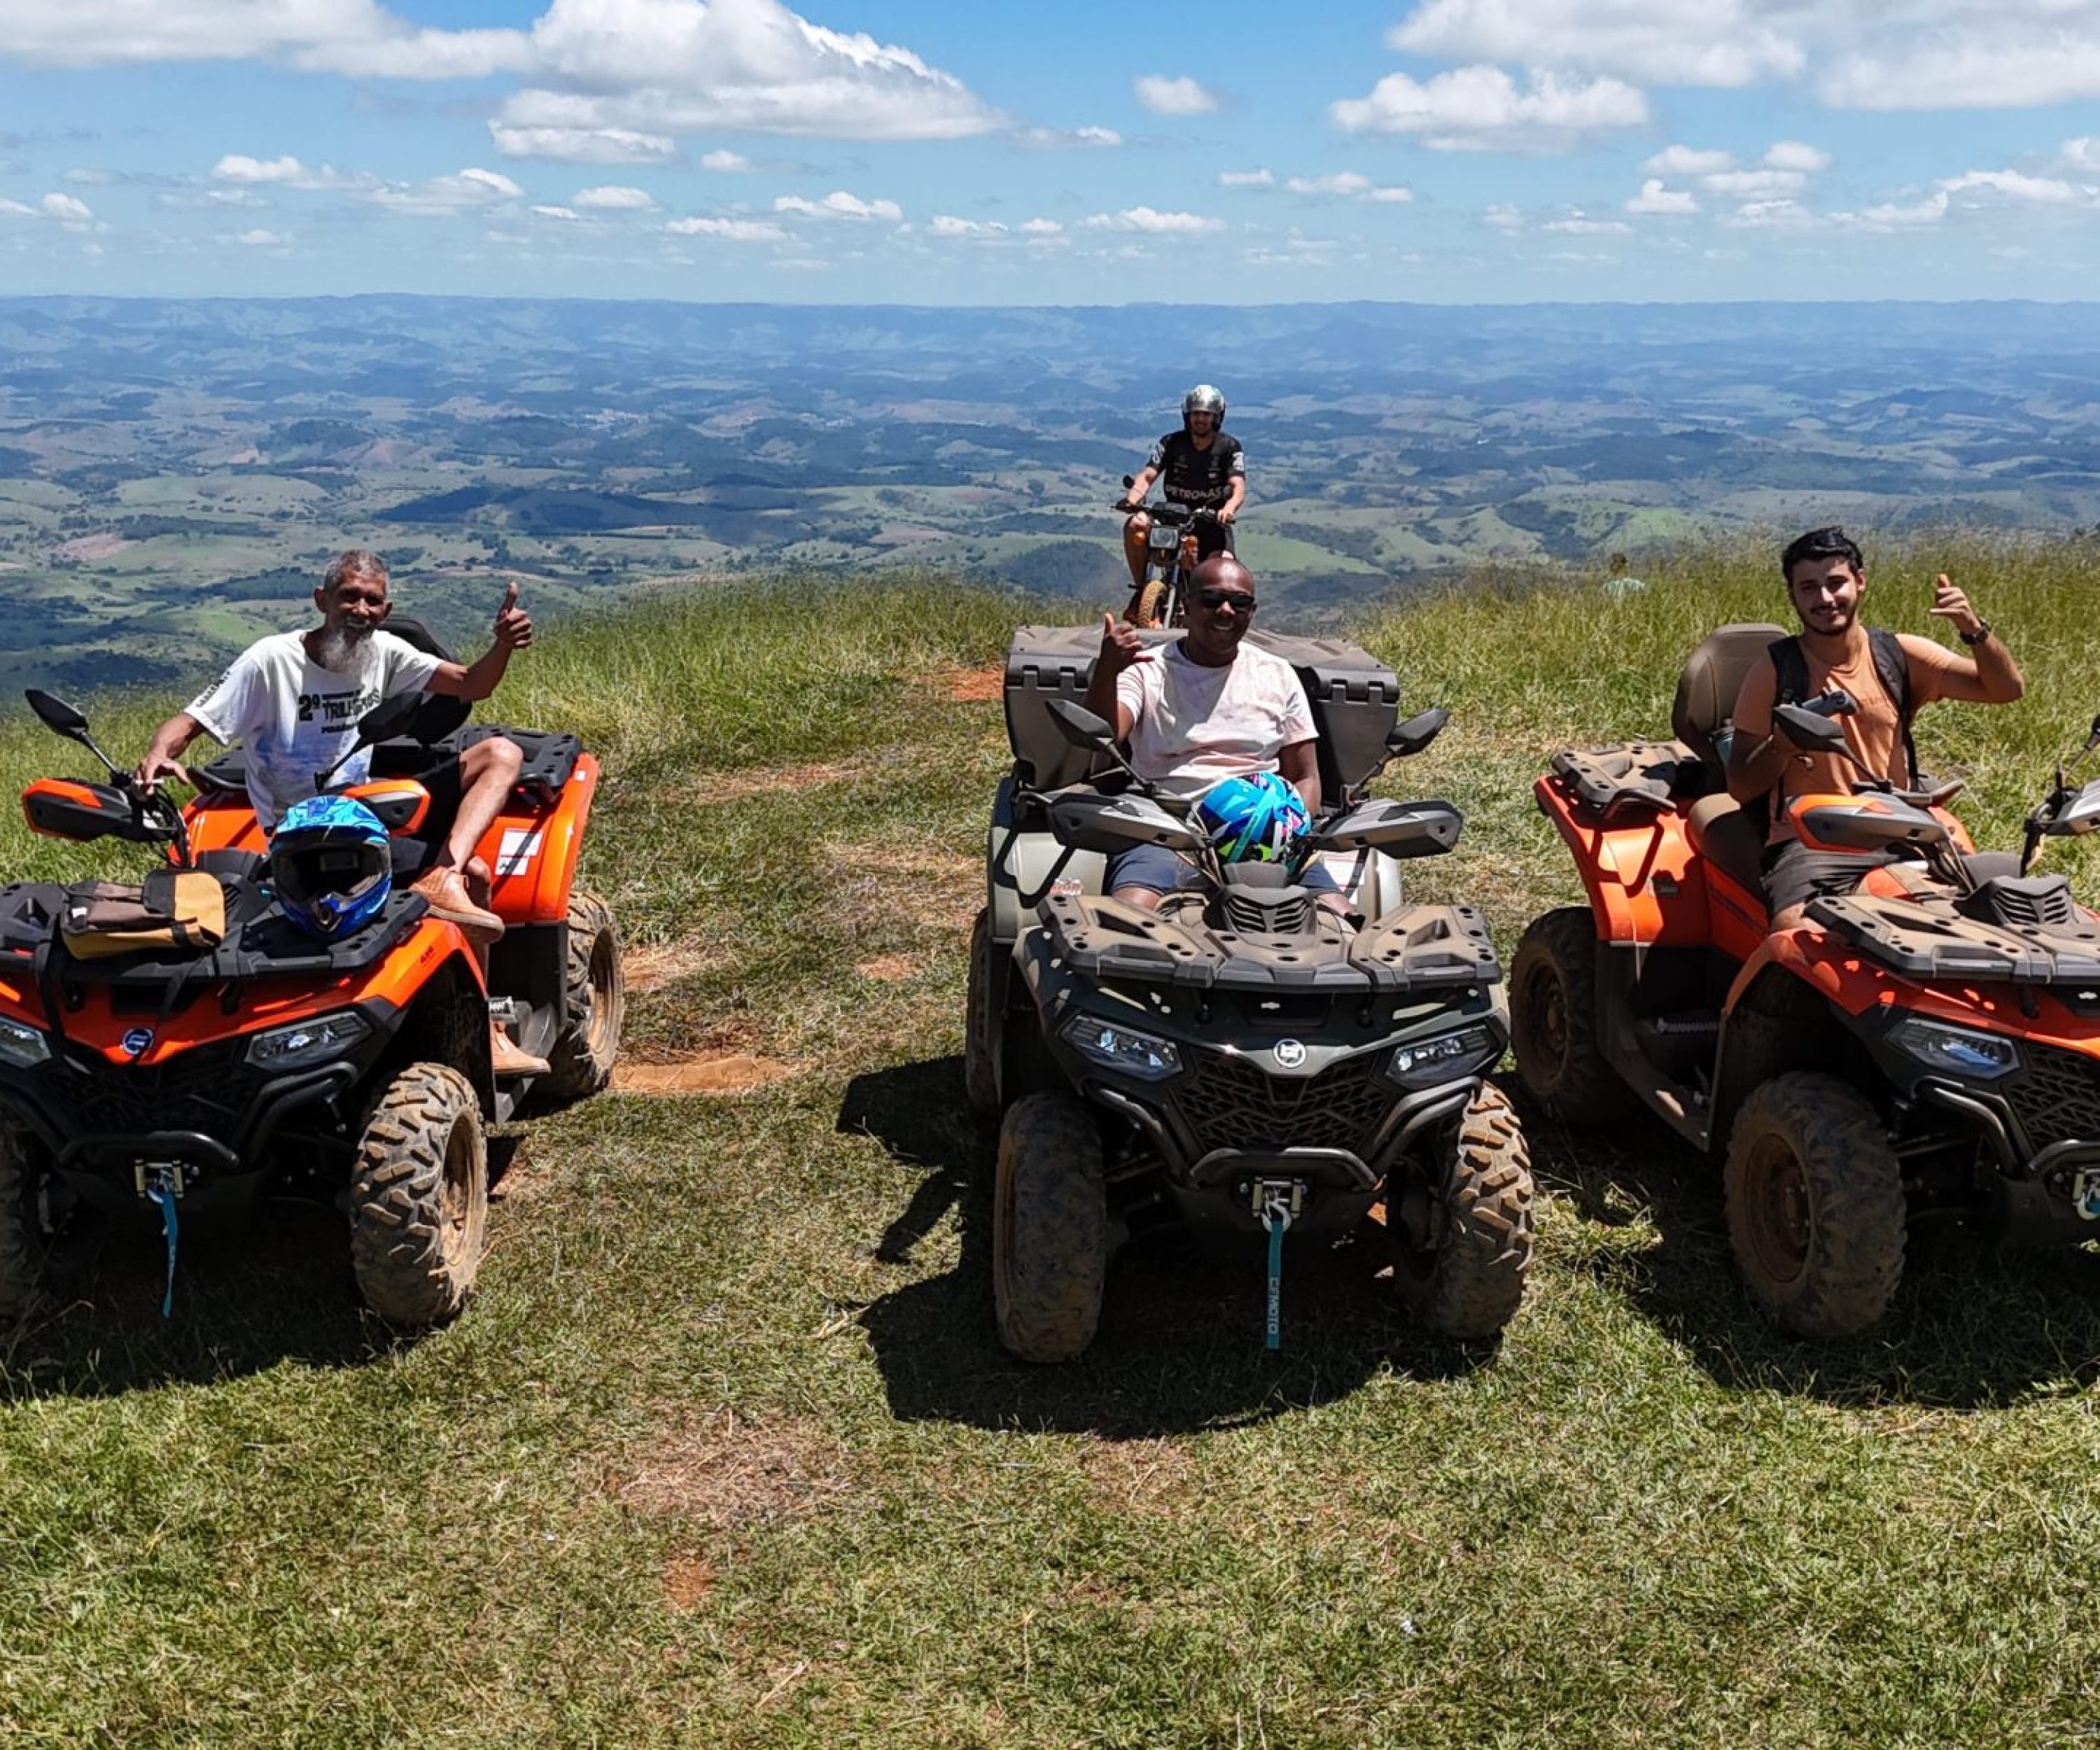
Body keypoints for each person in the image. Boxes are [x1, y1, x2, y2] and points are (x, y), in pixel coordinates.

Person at [134, 550, 547, 1075]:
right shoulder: (271, 661)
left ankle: (472, 986)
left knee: (501, 757)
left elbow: (470, 684)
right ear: (322, 600)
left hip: (362, 816)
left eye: (372, 600)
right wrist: (158, 756)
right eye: (348, 595)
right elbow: (190, 720)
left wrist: (502, 646)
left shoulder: (385, 653)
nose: (360, 608)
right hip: (297, 835)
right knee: (482, 879)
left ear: (386, 607)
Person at [1726, 526, 2024, 926]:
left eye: (1836, 583)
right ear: (1793, 596)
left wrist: (1973, 628)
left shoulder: (1898, 655)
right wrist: (1782, 744)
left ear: (1860, 582)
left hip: (1900, 827)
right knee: (1797, 931)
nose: (1825, 599)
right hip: (1812, 840)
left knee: (1990, 914)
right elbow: (1741, 786)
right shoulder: (1773, 670)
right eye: (1809, 588)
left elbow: (2005, 690)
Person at [1082, 552, 1334, 911]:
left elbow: (1306, 776)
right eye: (1212, 600)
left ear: (1252, 610)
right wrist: (1109, 670)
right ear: (1186, 606)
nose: (1226, 611)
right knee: (1131, 915)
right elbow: (1107, 732)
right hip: (1171, 831)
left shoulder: (1277, 674)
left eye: (1240, 602)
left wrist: (1290, 831)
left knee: (1341, 918)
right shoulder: (1147, 670)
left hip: (1267, 837)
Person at [1117, 384, 1246, 593]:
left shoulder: (1230, 448)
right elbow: (1148, 474)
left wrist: (1229, 509)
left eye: (1207, 414)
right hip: (1172, 518)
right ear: (1187, 415)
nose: (1201, 419)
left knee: (1224, 569)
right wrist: (1133, 498)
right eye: (1196, 414)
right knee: (1135, 525)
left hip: (1211, 521)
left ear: (1217, 417)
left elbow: (1238, 486)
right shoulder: (1171, 443)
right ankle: (1141, 590)